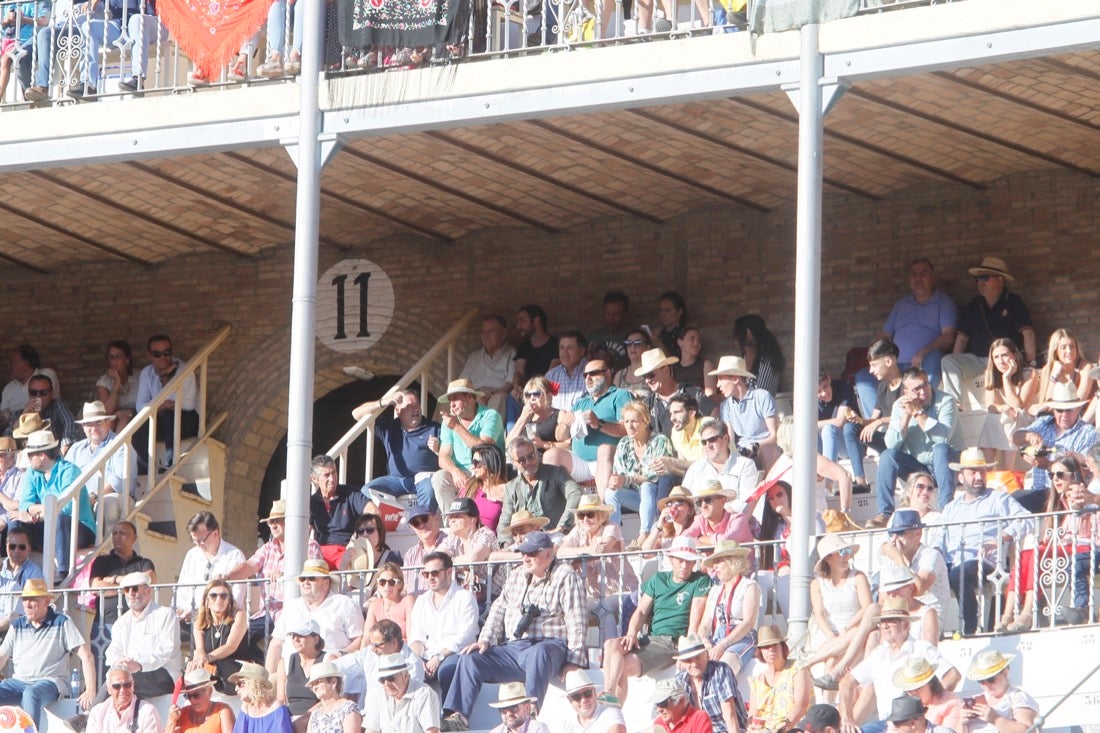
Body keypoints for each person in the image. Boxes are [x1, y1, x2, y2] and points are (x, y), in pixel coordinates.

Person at [440, 531, 587, 731]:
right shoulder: (517, 574)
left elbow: (576, 619)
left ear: (549, 554)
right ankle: (456, 719)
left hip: (551, 645)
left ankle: (531, 712)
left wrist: (574, 660)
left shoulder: (565, 574)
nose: (526, 558)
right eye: (523, 553)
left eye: (532, 553)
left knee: (539, 653)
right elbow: (498, 609)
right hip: (515, 646)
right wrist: (485, 640)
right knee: (470, 658)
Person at [601, 535, 709, 704]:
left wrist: (686, 651)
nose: (684, 565)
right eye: (680, 560)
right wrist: (631, 633)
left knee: (621, 664)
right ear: (671, 559)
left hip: (671, 642)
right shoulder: (659, 579)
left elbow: (695, 620)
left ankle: (612, 708)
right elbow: (641, 610)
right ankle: (609, 695)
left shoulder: (699, 581)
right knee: (610, 645)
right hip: (649, 639)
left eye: (689, 561)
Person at [939, 448, 1033, 635]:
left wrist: (1002, 537)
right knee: (930, 574)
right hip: (953, 562)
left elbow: (1027, 519)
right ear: (961, 477)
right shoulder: (951, 508)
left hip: (984, 562)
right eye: (972, 472)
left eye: (981, 471)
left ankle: (971, 627)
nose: (978, 476)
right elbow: (940, 538)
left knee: (959, 574)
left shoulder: (997, 499)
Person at [839, 598, 960, 727]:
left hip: (912, 722)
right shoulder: (879, 654)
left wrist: (931, 707)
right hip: (885, 723)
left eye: (891, 621)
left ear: (906, 625)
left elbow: (953, 675)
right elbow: (847, 681)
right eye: (882, 622)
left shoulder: (921, 648)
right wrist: (847, 717)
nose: (884, 626)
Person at [868, 368, 961, 528]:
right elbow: (891, 444)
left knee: (940, 448)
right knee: (887, 455)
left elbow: (942, 438)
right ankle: (885, 513)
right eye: (917, 389)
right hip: (919, 468)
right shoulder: (900, 405)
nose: (924, 391)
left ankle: (946, 509)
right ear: (906, 392)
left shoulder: (946, 401)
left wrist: (918, 413)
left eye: (925, 385)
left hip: (948, 464)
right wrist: (905, 416)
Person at [0, 578, 97, 728]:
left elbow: (86, 655)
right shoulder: (17, 625)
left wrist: (90, 689)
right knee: (27, 692)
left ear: (46, 601)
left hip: (50, 682)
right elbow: (1, 656)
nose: (27, 604)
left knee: (31, 693)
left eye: (33, 599)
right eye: (25, 599)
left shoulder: (62, 622)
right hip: (18, 682)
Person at [941, 256, 1037, 407]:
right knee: (948, 361)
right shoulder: (974, 304)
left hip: (1005, 360)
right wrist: (957, 360)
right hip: (980, 360)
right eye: (978, 279)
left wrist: (1031, 363)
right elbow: (962, 338)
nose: (980, 282)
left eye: (985, 278)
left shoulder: (1013, 301)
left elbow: (1028, 333)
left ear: (999, 280)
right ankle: (954, 405)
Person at [230, 500, 323, 651]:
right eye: (271, 522)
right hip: (266, 613)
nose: (273, 525)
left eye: (278, 521)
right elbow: (248, 566)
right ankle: (261, 670)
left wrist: (286, 576)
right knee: (238, 639)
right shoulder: (267, 548)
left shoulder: (310, 546)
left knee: (280, 645)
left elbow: (313, 578)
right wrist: (226, 577)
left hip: (294, 613)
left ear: (290, 521)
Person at [860, 259, 957, 392]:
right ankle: (883, 413)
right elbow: (884, 336)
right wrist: (876, 357)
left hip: (923, 363)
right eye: (913, 274)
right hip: (895, 366)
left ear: (932, 277)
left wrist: (924, 351)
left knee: (935, 357)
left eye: (923, 274)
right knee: (863, 378)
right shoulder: (901, 305)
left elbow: (948, 337)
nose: (918, 279)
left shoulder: (943, 302)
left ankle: (923, 407)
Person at [557, 494, 639, 643]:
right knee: (570, 610)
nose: (585, 520)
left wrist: (578, 557)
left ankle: (609, 652)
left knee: (604, 609)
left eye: (590, 514)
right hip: (595, 595)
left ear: (600, 515)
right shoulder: (578, 531)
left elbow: (602, 550)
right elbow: (561, 551)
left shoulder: (611, 528)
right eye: (581, 515)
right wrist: (585, 552)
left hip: (622, 591)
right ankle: (577, 654)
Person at [545, 358, 631, 496]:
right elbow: (560, 437)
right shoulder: (581, 402)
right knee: (551, 455)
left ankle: (604, 508)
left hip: (611, 459)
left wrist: (599, 423)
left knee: (604, 449)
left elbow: (629, 429)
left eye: (594, 373)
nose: (588, 378)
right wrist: (565, 423)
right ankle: (554, 511)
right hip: (580, 461)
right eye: (585, 375)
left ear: (608, 374)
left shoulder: (620, 395)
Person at [15, 428, 95, 575]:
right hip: (46, 523)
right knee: (15, 520)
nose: (28, 458)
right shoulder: (31, 473)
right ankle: (14, 565)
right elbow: (24, 504)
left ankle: (63, 572)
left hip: (79, 526)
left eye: (30, 454)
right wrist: (40, 511)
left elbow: (66, 507)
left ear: (42, 454)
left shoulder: (69, 470)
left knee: (59, 519)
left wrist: (37, 513)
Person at [803, 534, 873, 691]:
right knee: (831, 662)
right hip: (830, 634)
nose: (847, 556)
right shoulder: (817, 584)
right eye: (842, 552)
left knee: (852, 635)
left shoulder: (858, 577)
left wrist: (847, 629)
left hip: (855, 629)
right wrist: (832, 636)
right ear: (828, 558)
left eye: (847, 550)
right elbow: (819, 614)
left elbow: (867, 607)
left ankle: (810, 661)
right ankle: (827, 708)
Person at [266, 559, 363, 671]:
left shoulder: (345, 604)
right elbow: (276, 645)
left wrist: (339, 656)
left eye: (312, 578)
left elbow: (359, 640)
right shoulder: (291, 607)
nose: (305, 582)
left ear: (326, 583)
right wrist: (269, 679)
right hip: (292, 677)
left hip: (331, 675)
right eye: (302, 579)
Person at [408, 551, 479, 697]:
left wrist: (439, 657)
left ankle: (449, 717)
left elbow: (466, 636)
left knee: (447, 670)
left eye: (435, 573)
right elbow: (416, 636)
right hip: (428, 654)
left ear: (449, 572)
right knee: (406, 671)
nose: (430, 578)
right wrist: (417, 660)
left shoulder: (465, 598)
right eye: (426, 574)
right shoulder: (422, 601)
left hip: (455, 653)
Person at [355, 389, 441, 507]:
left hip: (425, 479)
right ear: (398, 411)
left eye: (417, 404)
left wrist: (439, 449)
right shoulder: (390, 427)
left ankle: (425, 523)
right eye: (409, 406)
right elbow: (356, 414)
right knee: (366, 491)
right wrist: (382, 402)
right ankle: (387, 521)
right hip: (396, 480)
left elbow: (450, 456)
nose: (415, 409)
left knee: (429, 489)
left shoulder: (435, 428)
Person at [103, 571, 181, 699]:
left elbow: (165, 652)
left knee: (122, 679)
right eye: (126, 590)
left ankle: (89, 715)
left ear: (148, 591)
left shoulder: (165, 614)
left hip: (164, 675)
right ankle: (93, 715)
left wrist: (139, 665)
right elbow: (113, 651)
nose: (131, 594)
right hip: (132, 675)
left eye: (135, 589)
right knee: (115, 677)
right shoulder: (121, 622)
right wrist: (118, 661)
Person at [432, 378, 506, 512]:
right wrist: (455, 472)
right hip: (461, 473)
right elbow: (443, 456)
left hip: (488, 472)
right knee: (439, 478)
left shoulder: (490, 416)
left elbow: (485, 450)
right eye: (450, 400)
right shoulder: (447, 423)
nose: (451, 405)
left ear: (471, 398)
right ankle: (452, 522)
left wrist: (456, 426)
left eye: (455, 399)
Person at [88, 521, 156, 662]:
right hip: (105, 624)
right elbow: (95, 587)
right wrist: (133, 586)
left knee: (134, 667)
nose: (118, 537)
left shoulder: (143, 562)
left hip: (138, 623)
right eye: (115, 533)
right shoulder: (102, 561)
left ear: (134, 538)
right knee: (103, 669)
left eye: (123, 533)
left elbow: (149, 579)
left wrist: (115, 579)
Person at [1013, 381, 1097, 494]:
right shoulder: (1044, 422)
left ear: (1077, 408)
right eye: (1060, 410)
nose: (1064, 415)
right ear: (1053, 410)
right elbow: (1015, 438)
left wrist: (1047, 465)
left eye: (1069, 410)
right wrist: (1029, 436)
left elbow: (1086, 472)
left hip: (1068, 495)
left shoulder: (1088, 433)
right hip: (1037, 490)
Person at [132, 334, 199, 471]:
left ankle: (170, 463)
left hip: (187, 419)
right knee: (138, 421)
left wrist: (164, 376)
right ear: (149, 355)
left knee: (169, 415)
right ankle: (145, 465)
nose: (163, 357)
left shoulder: (184, 370)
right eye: (157, 354)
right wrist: (160, 406)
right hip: (163, 419)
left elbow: (172, 401)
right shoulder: (147, 372)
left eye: (166, 352)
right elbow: (140, 406)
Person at [497, 436, 582, 543]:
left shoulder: (556, 473)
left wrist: (560, 528)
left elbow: (575, 493)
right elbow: (504, 523)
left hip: (557, 539)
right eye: (522, 460)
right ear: (514, 463)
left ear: (537, 454)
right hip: (526, 543)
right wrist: (508, 546)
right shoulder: (511, 487)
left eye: (531, 456)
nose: (528, 462)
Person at [607, 400, 674, 532]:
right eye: (626, 422)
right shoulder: (624, 443)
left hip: (657, 497)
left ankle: (645, 532)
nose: (630, 426)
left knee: (647, 486)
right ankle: (613, 535)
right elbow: (620, 473)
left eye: (634, 421)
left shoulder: (660, 441)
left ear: (645, 421)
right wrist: (616, 481)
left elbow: (655, 475)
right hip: (636, 497)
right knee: (610, 493)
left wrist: (627, 480)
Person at [69, 400, 135, 528]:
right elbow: (65, 476)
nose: (93, 428)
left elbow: (119, 480)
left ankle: (106, 547)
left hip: (112, 496)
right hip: (82, 500)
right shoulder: (75, 449)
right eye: (88, 424)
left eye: (98, 422)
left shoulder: (121, 444)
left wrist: (94, 496)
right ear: (83, 427)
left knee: (107, 504)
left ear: (108, 423)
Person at [877, 510, 951, 619]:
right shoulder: (891, 558)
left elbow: (919, 589)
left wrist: (899, 560)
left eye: (900, 533)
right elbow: (883, 599)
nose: (894, 539)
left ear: (918, 534)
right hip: (898, 618)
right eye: (892, 534)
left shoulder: (931, 555)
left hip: (927, 618)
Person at [698, 540, 759, 674]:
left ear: (733, 561)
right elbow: (704, 626)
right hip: (715, 638)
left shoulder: (749, 586)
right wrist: (706, 644)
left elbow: (748, 622)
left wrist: (723, 645)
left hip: (742, 637)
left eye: (719, 561)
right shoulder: (715, 591)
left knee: (722, 670)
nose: (715, 568)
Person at [176, 512, 246, 625]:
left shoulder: (234, 556)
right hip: (188, 619)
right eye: (194, 540)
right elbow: (182, 588)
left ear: (215, 533)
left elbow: (236, 598)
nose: (198, 545)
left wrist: (201, 612)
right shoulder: (192, 554)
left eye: (202, 540)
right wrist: (180, 608)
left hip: (220, 621)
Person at [978, 338, 1038, 467]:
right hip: (1005, 418)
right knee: (992, 417)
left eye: (1004, 355)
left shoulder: (1030, 373)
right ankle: (987, 470)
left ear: (1014, 355)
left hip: (1025, 419)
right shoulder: (991, 374)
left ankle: (1007, 469)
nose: (1000, 361)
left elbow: (1018, 405)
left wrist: (1006, 378)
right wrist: (1003, 408)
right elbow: (991, 406)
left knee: (1013, 415)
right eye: (996, 357)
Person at [711, 355, 779, 469]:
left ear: (735, 379)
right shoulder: (726, 406)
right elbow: (730, 440)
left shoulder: (762, 397)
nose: (718, 385)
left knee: (766, 452)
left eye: (721, 379)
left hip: (766, 450)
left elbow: (775, 435)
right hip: (742, 454)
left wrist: (756, 446)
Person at [190, 579, 255, 693]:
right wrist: (199, 655)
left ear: (229, 601)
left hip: (236, 666)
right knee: (191, 667)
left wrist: (207, 658)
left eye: (223, 596)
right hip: (211, 667)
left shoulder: (238, 616)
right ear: (207, 601)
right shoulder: (199, 623)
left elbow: (230, 646)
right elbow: (200, 649)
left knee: (219, 665)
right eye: (214, 595)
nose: (218, 599)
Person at [308, 454, 375, 567]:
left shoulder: (350, 493)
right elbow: (304, 531)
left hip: (348, 549)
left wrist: (357, 535)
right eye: (327, 475)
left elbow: (374, 511)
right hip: (322, 553)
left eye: (334, 472)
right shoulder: (312, 502)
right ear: (315, 479)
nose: (332, 478)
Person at [675, 633, 746, 733]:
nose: (694, 664)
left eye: (697, 657)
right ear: (681, 663)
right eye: (688, 660)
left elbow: (730, 715)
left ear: (707, 655)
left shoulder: (720, 671)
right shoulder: (679, 681)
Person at [747, 625, 810, 733]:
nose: (771, 649)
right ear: (761, 651)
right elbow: (753, 714)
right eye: (766, 647)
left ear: (782, 647)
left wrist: (782, 729)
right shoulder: (757, 680)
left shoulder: (797, 668)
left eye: (775, 645)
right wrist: (751, 727)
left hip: (792, 726)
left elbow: (801, 705)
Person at [636, 348, 708, 439]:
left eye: (651, 375)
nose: (647, 380)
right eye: (644, 376)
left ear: (665, 370)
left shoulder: (692, 393)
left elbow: (713, 415)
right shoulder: (646, 404)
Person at [961, 650, 1038, 733]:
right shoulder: (974, 699)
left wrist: (996, 719)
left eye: (990, 679)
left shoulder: (1018, 697)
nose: (986, 685)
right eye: (981, 681)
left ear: (1005, 673)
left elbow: (1029, 731)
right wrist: (962, 722)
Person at [681, 418, 758, 501]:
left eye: (712, 440)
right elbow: (685, 500)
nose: (708, 445)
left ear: (725, 439)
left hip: (733, 513)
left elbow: (746, 501)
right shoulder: (695, 469)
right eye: (704, 442)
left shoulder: (745, 465)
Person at [364, 653, 441, 733]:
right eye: (382, 680)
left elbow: (432, 731)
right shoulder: (379, 695)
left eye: (390, 678)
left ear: (405, 676)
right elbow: (371, 729)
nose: (387, 684)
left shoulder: (424, 694)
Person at [817, 370, 868, 491]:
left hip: (850, 445)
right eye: (818, 391)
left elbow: (840, 421)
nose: (824, 393)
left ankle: (828, 484)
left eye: (825, 386)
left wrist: (812, 424)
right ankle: (817, 478)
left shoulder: (844, 388)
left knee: (828, 429)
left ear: (829, 379)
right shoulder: (809, 400)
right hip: (826, 448)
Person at [460, 315, 517, 416]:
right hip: (474, 394)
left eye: (491, 331)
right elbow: (462, 383)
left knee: (500, 398)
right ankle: (437, 431)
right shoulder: (474, 357)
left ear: (503, 333)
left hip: (497, 393)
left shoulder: (512, 354)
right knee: (446, 401)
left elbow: (510, 383)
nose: (486, 336)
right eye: (484, 332)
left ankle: (489, 431)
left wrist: (491, 394)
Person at [402, 505, 462, 596]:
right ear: (412, 528)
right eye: (415, 523)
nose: (421, 525)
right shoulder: (410, 554)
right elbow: (406, 587)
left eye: (424, 518)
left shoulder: (452, 542)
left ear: (436, 519)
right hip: (416, 606)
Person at [891, 656, 963, 732]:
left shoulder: (950, 703)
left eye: (918, 688)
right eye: (909, 689)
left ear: (930, 683)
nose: (914, 693)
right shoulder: (902, 705)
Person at [0, 346, 61, 432]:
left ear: (25, 363)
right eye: (33, 392)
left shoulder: (46, 374)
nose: (9, 367)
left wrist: (21, 412)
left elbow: (42, 403)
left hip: (46, 427)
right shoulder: (8, 388)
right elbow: (3, 417)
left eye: (12, 362)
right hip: (17, 430)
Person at [857, 339, 905, 448]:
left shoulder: (908, 384)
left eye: (874, 365)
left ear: (888, 362)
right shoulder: (882, 386)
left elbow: (907, 416)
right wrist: (858, 420)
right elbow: (873, 419)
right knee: (851, 428)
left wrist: (881, 421)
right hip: (887, 435)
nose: (870, 371)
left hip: (905, 436)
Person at [87, 664, 162, 733]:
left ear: (133, 686)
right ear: (108, 689)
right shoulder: (97, 712)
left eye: (127, 685)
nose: (123, 690)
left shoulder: (147, 712)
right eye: (116, 686)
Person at [506, 376, 569, 454]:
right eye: (528, 395)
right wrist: (523, 418)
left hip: (549, 460)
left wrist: (544, 445)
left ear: (548, 396)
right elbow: (508, 444)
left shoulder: (559, 414)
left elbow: (569, 445)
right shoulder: (527, 417)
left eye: (536, 394)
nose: (532, 398)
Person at [13, 375, 77, 450]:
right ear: (29, 394)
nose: (38, 396)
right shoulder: (21, 413)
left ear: (51, 393)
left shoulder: (57, 406)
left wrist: (65, 445)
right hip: (30, 454)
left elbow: (69, 422)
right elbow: (10, 434)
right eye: (33, 392)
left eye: (43, 392)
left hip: (55, 452)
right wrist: (24, 414)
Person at [337, 511, 400, 588]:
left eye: (370, 530)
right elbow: (341, 589)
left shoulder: (391, 557)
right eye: (360, 531)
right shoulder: (353, 558)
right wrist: (343, 566)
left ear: (380, 533)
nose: (365, 534)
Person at [274, 619, 324, 715]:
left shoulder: (327, 660)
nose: (296, 640)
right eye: (293, 636)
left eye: (301, 635)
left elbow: (331, 698)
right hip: (291, 718)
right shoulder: (285, 662)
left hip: (318, 717)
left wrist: (304, 717)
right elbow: (281, 700)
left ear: (316, 639)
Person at [685, 480, 756, 547]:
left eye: (708, 500)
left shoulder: (739, 519)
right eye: (699, 502)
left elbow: (725, 541)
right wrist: (703, 542)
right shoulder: (700, 520)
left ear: (723, 501)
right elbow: (683, 539)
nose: (703, 506)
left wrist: (700, 539)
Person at [0, 527, 43, 636]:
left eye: (22, 547)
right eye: (12, 546)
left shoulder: (35, 573)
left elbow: (35, 609)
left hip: (22, 629)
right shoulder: (1, 567)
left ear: (29, 549)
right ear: (6, 547)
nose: (16, 551)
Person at [165, 669, 236, 733]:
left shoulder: (222, 711)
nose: (192, 700)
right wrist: (171, 721)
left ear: (209, 691)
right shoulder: (181, 714)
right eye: (188, 696)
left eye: (196, 695)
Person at [731, 314, 786, 395]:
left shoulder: (767, 362)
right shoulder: (743, 357)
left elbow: (762, 393)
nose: (735, 340)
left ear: (748, 333)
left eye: (738, 334)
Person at [231, 662, 293, 733]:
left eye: (239, 684)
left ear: (253, 683)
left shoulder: (277, 710)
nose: (236, 689)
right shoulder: (246, 710)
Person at [561, 669, 626, 733]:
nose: (583, 700)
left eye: (587, 693)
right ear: (569, 699)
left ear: (594, 692)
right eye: (577, 696)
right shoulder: (568, 723)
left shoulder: (611, 714)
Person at [305, 662, 361, 733]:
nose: (314, 688)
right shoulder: (315, 715)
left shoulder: (348, 709)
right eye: (312, 685)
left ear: (333, 682)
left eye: (317, 682)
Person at [364, 561, 416, 638]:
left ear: (400, 584)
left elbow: (412, 636)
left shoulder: (407, 601)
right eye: (382, 582)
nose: (387, 586)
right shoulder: (374, 605)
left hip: (402, 648)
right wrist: (363, 650)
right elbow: (367, 638)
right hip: (379, 649)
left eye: (392, 582)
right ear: (378, 584)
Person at [512, 304, 558, 390]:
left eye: (522, 321)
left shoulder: (556, 344)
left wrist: (534, 391)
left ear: (536, 321)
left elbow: (551, 374)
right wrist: (516, 386)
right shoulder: (523, 346)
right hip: (526, 393)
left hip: (546, 391)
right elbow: (519, 372)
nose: (518, 326)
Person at [96, 340, 139, 426]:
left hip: (138, 418)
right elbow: (106, 412)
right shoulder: (104, 381)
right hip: (114, 418)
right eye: (111, 357)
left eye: (118, 357)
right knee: (109, 423)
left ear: (127, 359)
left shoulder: (140, 377)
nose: (113, 361)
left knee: (124, 420)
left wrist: (130, 412)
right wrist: (117, 382)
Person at [588, 290, 633, 371]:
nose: (611, 319)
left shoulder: (632, 336)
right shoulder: (593, 336)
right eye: (608, 314)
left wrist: (613, 361)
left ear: (625, 314)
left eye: (616, 315)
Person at [641, 486, 697, 551]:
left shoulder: (697, 530)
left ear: (689, 511)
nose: (674, 507)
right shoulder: (664, 534)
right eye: (669, 504)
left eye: (679, 503)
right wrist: (659, 527)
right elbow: (646, 553)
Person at [545, 331, 589, 411]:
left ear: (582, 351)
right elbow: (542, 405)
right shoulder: (551, 375)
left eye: (570, 348)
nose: (564, 352)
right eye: (562, 348)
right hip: (556, 422)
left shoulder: (591, 373)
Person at [675, 327, 717, 397]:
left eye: (699, 340)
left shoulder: (706, 365)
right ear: (680, 342)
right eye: (692, 338)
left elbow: (711, 397)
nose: (696, 343)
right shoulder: (673, 368)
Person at [614, 328, 654, 399]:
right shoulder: (619, 375)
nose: (633, 347)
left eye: (638, 343)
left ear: (648, 347)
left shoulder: (654, 371)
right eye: (628, 343)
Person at [655, 291, 688, 359]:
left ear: (679, 312)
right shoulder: (658, 333)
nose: (663, 315)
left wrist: (656, 342)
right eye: (661, 311)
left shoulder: (685, 335)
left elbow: (676, 361)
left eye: (667, 310)